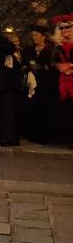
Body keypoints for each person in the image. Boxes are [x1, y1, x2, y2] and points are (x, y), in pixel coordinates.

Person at [22, 24, 58, 143]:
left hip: (47, 82)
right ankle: (35, 134)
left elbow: (53, 64)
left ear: (43, 37)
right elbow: (25, 63)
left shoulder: (51, 49)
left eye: (36, 35)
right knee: (34, 108)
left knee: (47, 108)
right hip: (33, 83)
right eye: (32, 35)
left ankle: (49, 135)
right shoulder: (28, 50)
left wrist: (43, 67)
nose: (34, 38)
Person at [51, 14, 73, 149]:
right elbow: (53, 62)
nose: (65, 31)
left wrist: (71, 66)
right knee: (69, 110)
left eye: (68, 27)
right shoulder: (58, 46)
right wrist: (59, 66)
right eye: (62, 28)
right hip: (64, 81)